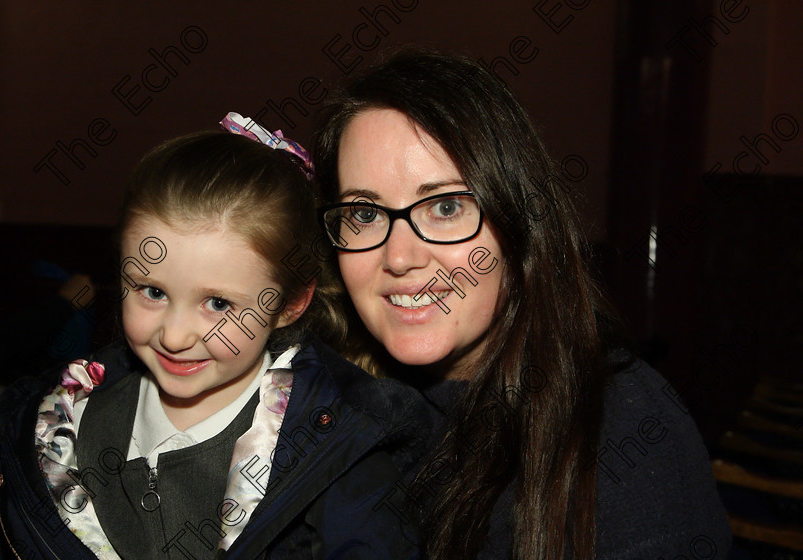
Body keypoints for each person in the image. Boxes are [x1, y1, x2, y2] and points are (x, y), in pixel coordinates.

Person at [313, 50, 732, 559]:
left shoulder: (620, 429)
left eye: (446, 207)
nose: (398, 256)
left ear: (519, 223)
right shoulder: (326, 405)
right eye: (364, 213)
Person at [0, 115, 430, 559]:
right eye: (152, 292)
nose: (175, 336)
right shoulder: (59, 425)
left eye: (219, 304)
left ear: (290, 304)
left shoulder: (344, 457)